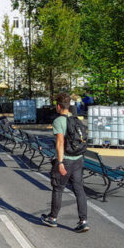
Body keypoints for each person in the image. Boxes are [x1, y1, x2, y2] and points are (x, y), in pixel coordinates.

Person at [40, 93, 89, 233]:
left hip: (66, 159)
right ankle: (83, 221)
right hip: (78, 159)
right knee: (79, 190)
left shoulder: (59, 121)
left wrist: (60, 162)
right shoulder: (76, 119)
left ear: (59, 106)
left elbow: (60, 143)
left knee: (58, 188)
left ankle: (52, 218)